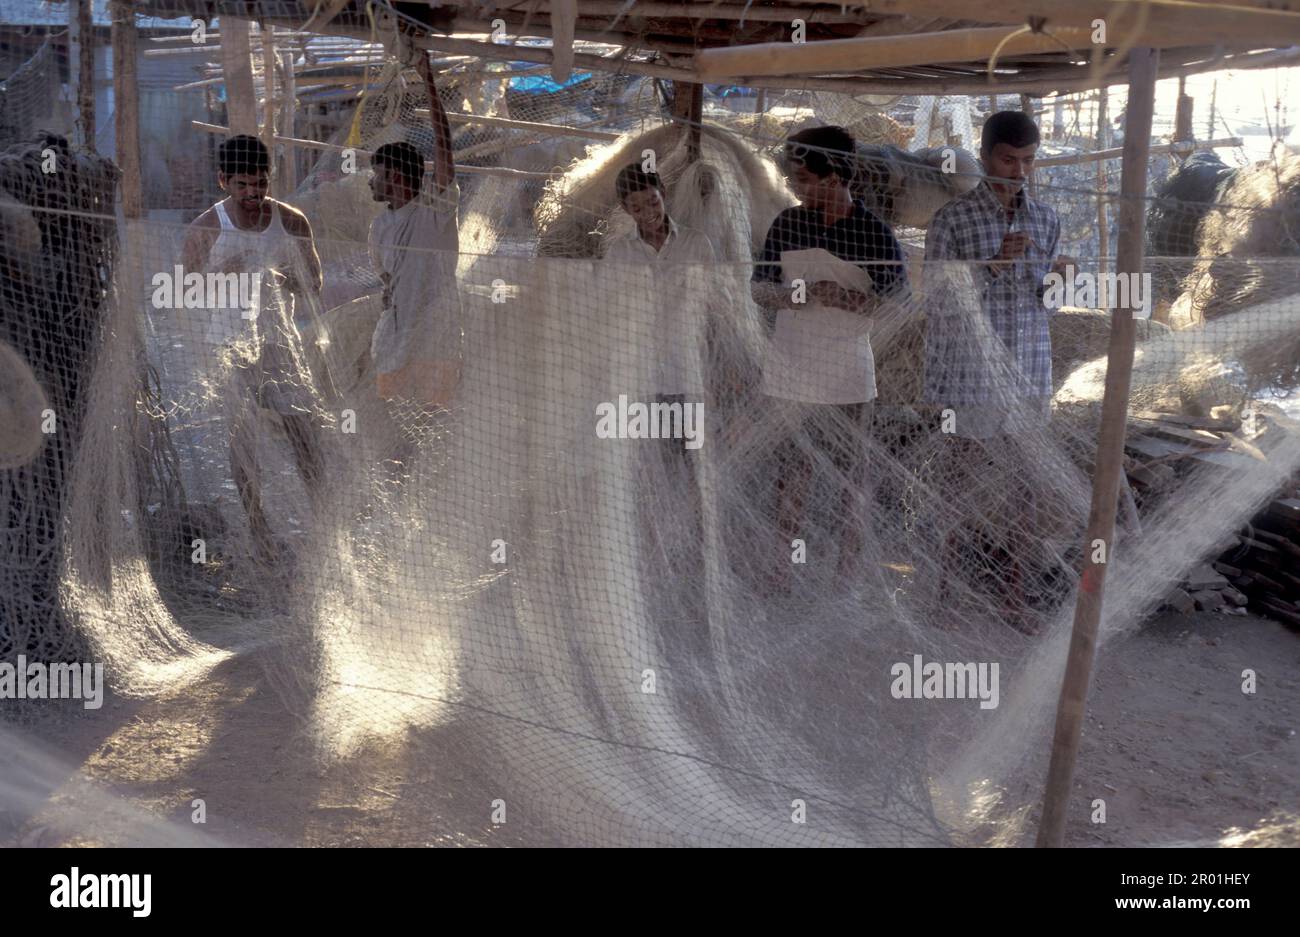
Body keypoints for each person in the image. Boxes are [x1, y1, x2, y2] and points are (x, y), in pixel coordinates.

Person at [922, 109, 1074, 632]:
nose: (1018, 172)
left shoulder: (1047, 219)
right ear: (985, 155)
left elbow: (1045, 305)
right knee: (958, 483)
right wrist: (990, 268)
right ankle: (944, 594)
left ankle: (1014, 596)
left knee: (1026, 487)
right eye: (1008, 160)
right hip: (971, 375)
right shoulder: (953, 220)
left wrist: (1060, 281)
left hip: (1029, 368)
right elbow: (938, 304)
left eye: (1028, 161)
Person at [752, 125, 908, 590]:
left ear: (835, 173)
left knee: (850, 474)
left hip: (848, 372)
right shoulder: (788, 224)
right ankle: (781, 567)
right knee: (792, 470)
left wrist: (848, 299)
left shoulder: (874, 233)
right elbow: (759, 289)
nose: (797, 188)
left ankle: (847, 574)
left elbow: (900, 304)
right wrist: (794, 295)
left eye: (804, 177)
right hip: (791, 365)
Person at [182, 134, 324, 562]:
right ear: (223, 180)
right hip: (228, 344)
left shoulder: (291, 221)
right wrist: (220, 276)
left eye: (259, 183)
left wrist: (287, 278)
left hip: (280, 343)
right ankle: (258, 526)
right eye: (242, 185)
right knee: (242, 439)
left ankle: (322, 519)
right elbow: (183, 293)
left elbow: (314, 281)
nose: (252, 194)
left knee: (303, 432)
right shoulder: (207, 228)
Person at [367, 49, 461, 470]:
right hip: (395, 338)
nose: (372, 180)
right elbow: (386, 281)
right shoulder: (380, 228)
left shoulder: (434, 211)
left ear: (399, 178)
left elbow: (445, 152)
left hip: (436, 337)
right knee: (391, 429)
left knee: (432, 429)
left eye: (378, 173)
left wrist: (429, 82)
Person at [604, 162, 717, 452]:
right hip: (641, 371)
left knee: (689, 451)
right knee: (645, 456)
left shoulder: (695, 244)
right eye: (637, 208)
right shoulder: (620, 252)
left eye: (652, 201)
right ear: (625, 209)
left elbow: (712, 304)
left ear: (663, 193)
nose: (648, 213)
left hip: (687, 367)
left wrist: (715, 365)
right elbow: (611, 310)